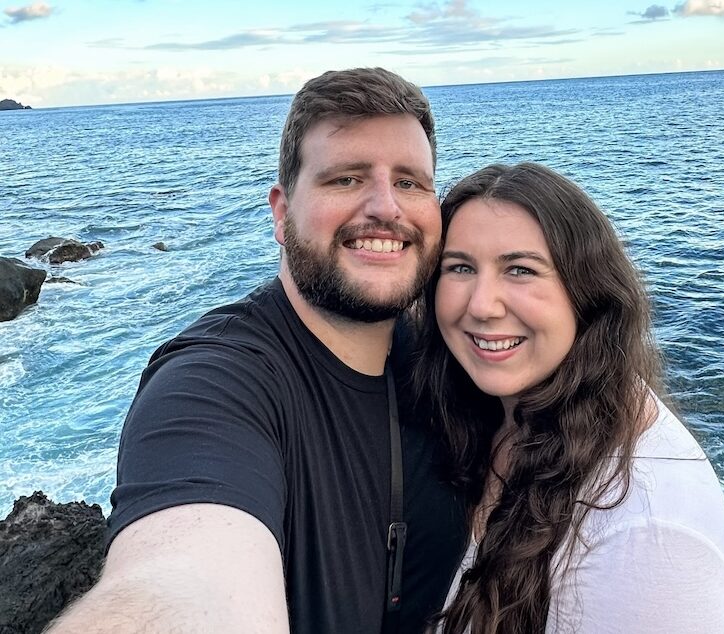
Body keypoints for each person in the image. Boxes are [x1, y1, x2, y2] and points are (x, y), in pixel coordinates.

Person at [48, 68, 468, 634]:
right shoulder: (215, 384)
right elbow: (187, 580)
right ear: (280, 210)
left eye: (411, 182)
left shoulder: (456, 361)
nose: (385, 208)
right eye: (345, 179)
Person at [415, 163, 724, 633]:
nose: (481, 305)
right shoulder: (497, 412)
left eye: (521, 269)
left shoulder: (651, 533)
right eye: (460, 267)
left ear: (586, 292)